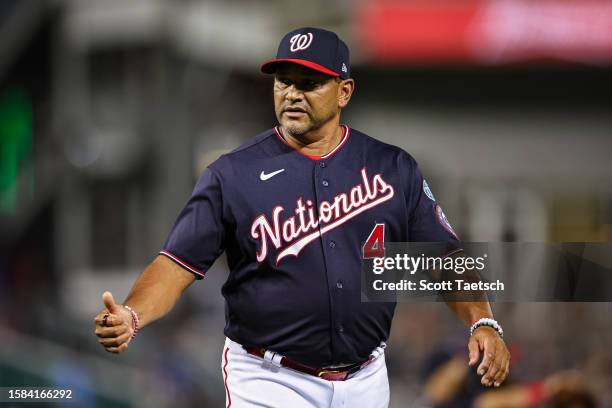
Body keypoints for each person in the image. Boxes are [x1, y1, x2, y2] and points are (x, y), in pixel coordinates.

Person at [94, 27, 510, 407]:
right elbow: (176, 262)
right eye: (283, 81)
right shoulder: (232, 174)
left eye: (309, 83)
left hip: (366, 377)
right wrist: (132, 315)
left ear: (344, 91)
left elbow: (445, 256)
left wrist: (482, 320)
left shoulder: (391, 168)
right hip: (269, 378)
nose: (292, 93)